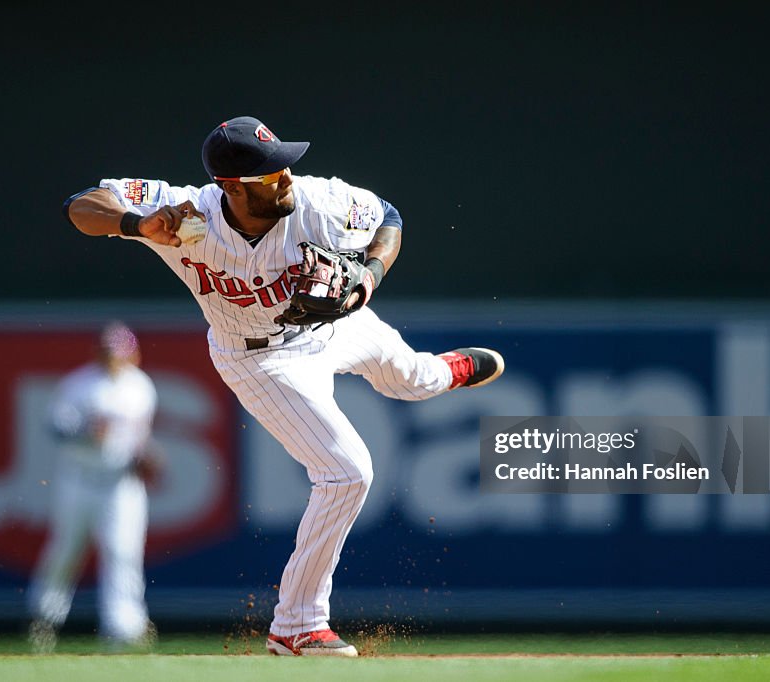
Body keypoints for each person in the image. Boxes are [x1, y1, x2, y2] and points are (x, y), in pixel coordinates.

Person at [62, 116, 504, 657]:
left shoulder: (318, 201)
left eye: (285, 164)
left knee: (415, 379)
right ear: (232, 186)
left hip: (327, 323)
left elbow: (388, 217)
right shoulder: (185, 211)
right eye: (272, 172)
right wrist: (137, 223)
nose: (287, 177)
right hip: (259, 360)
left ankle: (447, 371)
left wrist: (368, 276)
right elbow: (82, 206)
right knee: (347, 473)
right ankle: (296, 624)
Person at [27, 322, 161, 652]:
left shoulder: (141, 387)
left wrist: (147, 456)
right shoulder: (79, 384)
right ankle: (44, 620)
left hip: (121, 484)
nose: (112, 358)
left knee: (123, 553)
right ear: (97, 352)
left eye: (118, 352)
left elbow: (138, 440)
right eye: (107, 352)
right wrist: (88, 431)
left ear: (132, 354)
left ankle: (124, 627)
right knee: (65, 551)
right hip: (79, 480)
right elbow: (56, 428)